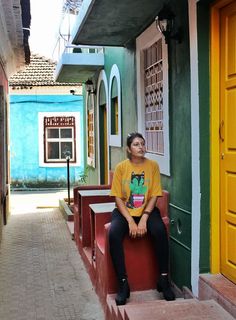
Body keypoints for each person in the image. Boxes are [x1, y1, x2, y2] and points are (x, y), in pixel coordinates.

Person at [109, 132, 175, 305]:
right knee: (113, 234)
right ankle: (123, 284)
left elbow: (154, 195)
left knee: (160, 230)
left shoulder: (152, 166)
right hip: (124, 212)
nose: (141, 147)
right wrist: (130, 221)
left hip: (147, 210)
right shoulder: (121, 168)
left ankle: (163, 279)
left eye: (143, 144)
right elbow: (117, 198)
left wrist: (144, 218)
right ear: (129, 149)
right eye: (136, 144)